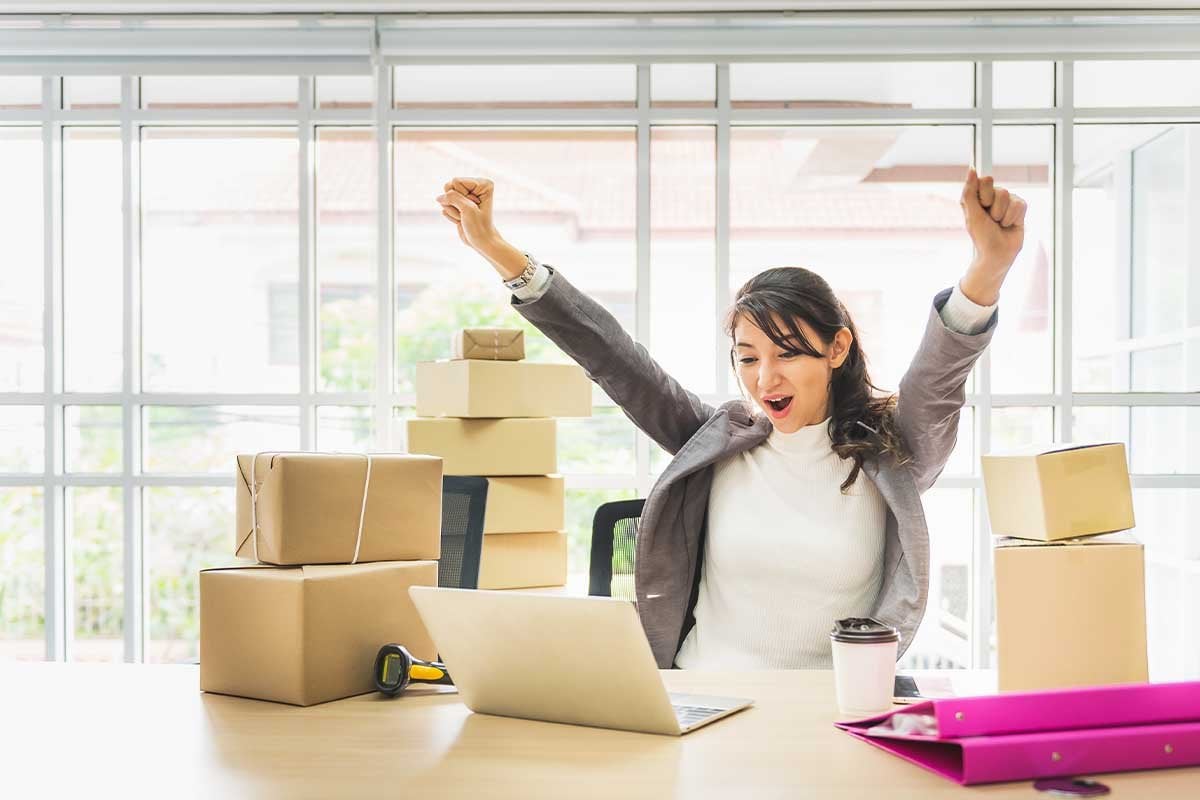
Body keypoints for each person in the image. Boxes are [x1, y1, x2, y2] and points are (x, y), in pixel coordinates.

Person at [435, 170, 1026, 669]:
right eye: (748, 358)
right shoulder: (718, 439)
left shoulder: (889, 457)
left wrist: (987, 270)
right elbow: (614, 358)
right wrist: (498, 251)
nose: (765, 379)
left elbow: (936, 382)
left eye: (788, 354)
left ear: (837, 348)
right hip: (700, 699)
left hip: (825, 714)